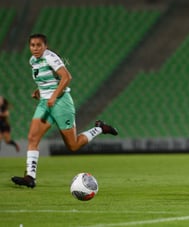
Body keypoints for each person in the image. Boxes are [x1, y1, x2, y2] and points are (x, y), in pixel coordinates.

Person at [11, 33, 118, 188]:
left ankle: (99, 128)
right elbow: (48, 80)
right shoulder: (33, 61)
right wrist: (39, 91)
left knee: (73, 146)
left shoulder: (50, 57)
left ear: (45, 46)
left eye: (38, 45)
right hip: (45, 104)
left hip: (61, 103)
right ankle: (30, 177)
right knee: (32, 137)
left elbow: (66, 77)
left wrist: (53, 96)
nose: (35, 48)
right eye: (32, 45)